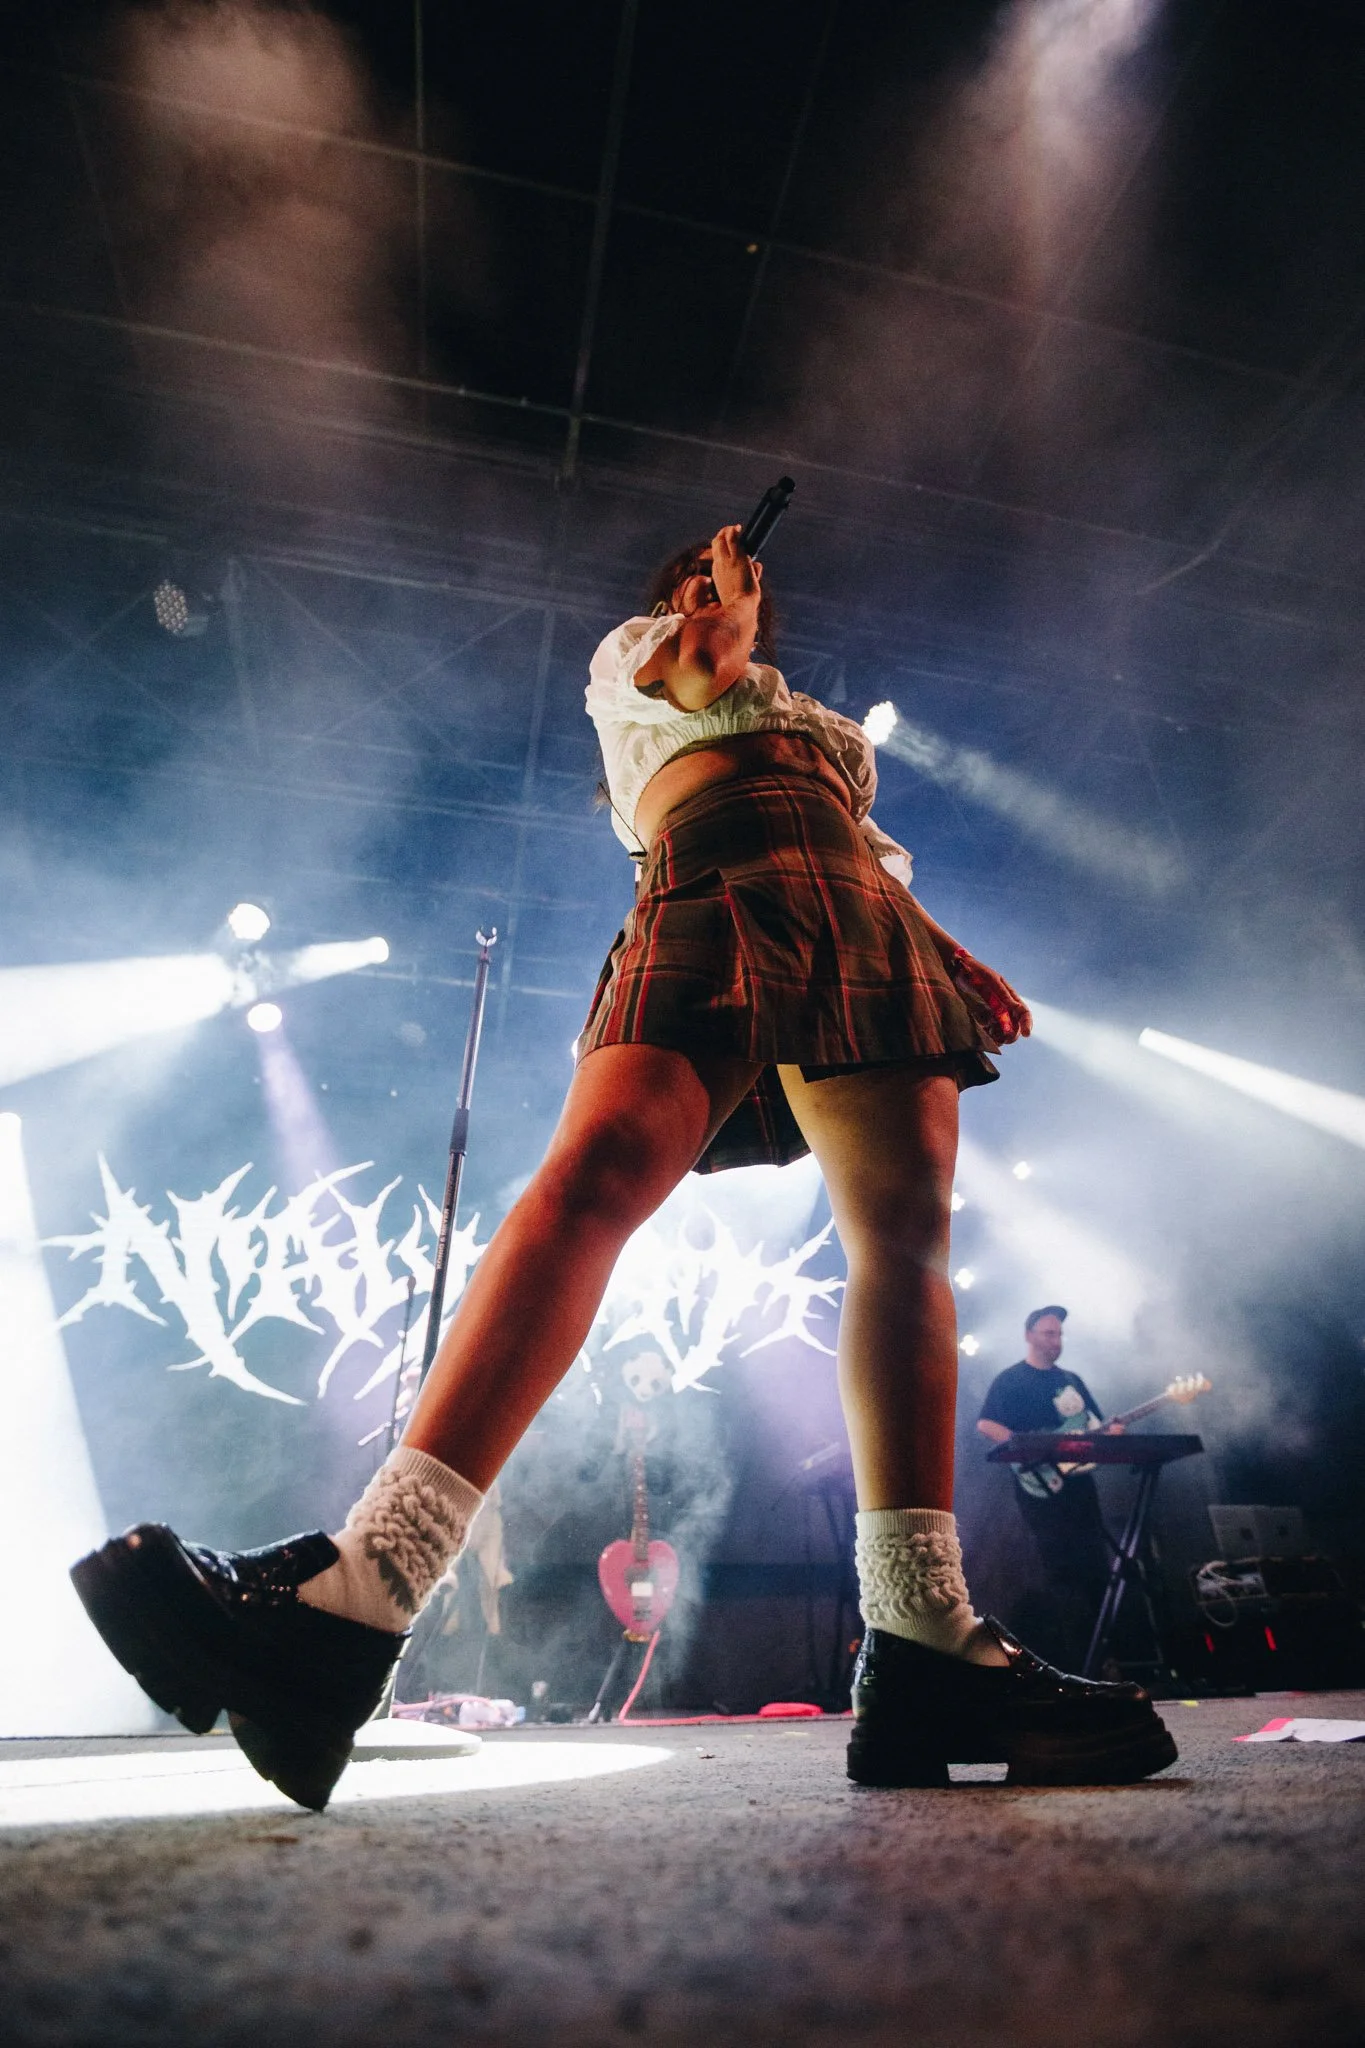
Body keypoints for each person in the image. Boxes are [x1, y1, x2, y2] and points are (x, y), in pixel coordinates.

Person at [71, 525, 1175, 1805]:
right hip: (708, 873)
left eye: (725, 580)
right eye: (697, 578)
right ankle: (365, 1587)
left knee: (906, 1240)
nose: (714, 586)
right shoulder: (642, 656)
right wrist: (724, 610)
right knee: (593, 1179)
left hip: (855, 903)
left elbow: (863, 845)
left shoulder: (817, 725)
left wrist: (945, 944)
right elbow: (702, 669)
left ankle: (924, 1635)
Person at [977, 1306, 1119, 1670]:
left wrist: (1111, 1432)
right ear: (1029, 1336)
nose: (1056, 1341)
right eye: (1048, 1334)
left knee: (1096, 1563)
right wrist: (1025, 1447)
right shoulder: (1011, 1380)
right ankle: (1070, 1661)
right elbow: (987, 1424)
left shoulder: (1071, 1380)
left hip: (1079, 1483)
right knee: (1059, 1565)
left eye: (1059, 1334)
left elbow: (1095, 1424)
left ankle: (1104, 1658)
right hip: (1039, 1483)